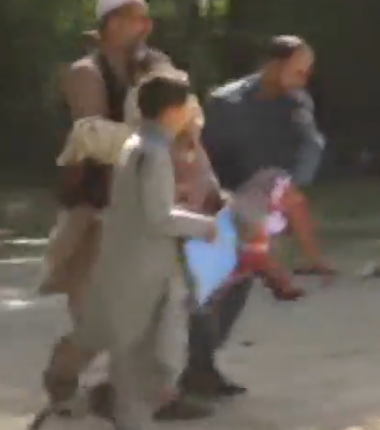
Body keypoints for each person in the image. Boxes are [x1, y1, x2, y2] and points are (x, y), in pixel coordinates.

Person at [180, 35, 333, 400]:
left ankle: (202, 365)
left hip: (262, 203)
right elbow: (204, 154)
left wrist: (289, 187)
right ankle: (185, 367)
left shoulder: (297, 102)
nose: (305, 78)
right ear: (275, 64)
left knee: (238, 287)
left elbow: (311, 144)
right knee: (209, 288)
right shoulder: (225, 102)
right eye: (299, 69)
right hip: (220, 204)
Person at [73, 70, 216, 430]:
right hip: (146, 268)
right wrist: (205, 226)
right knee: (143, 357)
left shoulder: (135, 146)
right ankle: (103, 407)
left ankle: (114, 407)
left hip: (129, 262)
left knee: (134, 353)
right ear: (174, 110)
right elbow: (158, 216)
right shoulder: (153, 153)